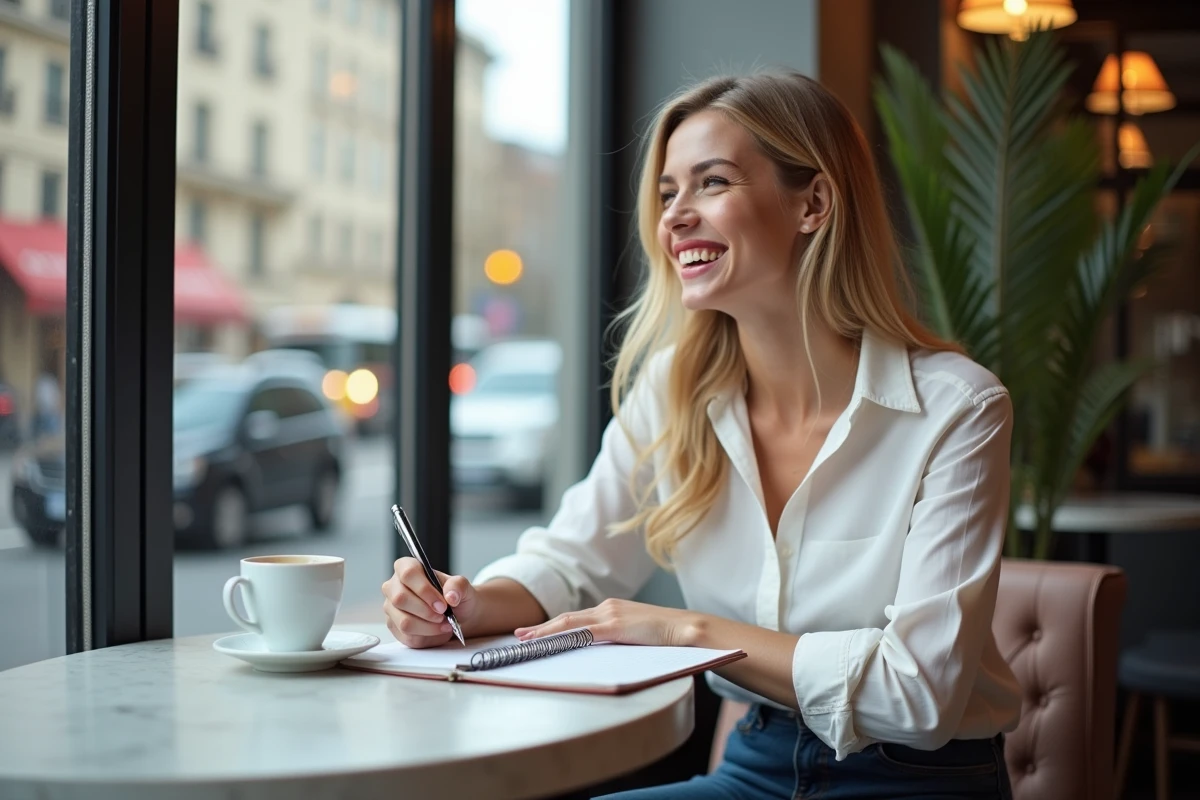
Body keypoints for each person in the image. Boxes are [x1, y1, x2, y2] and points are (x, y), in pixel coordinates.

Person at [382, 69, 1021, 799]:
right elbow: (572, 562)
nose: (675, 218)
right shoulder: (673, 393)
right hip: (756, 764)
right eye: (667, 194)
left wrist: (685, 633)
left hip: (919, 783)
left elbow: (920, 696)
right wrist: (465, 605)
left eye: (711, 183)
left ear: (813, 203)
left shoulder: (957, 409)